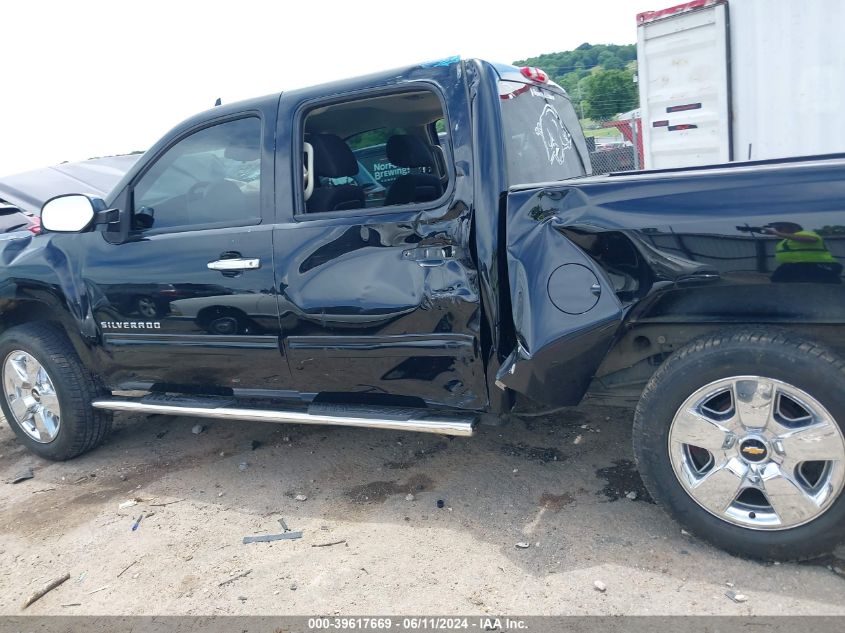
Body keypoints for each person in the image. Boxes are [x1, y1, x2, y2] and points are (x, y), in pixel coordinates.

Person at [763, 222, 843, 283]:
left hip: (815, 264)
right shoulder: (786, 239)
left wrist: (776, 233)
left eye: (780, 227)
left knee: (825, 283)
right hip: (792, 266)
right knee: (777, 280)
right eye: (777, 228)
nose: (777, 229)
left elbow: (811, 239)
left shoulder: (804, 233)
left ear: (794, 227)